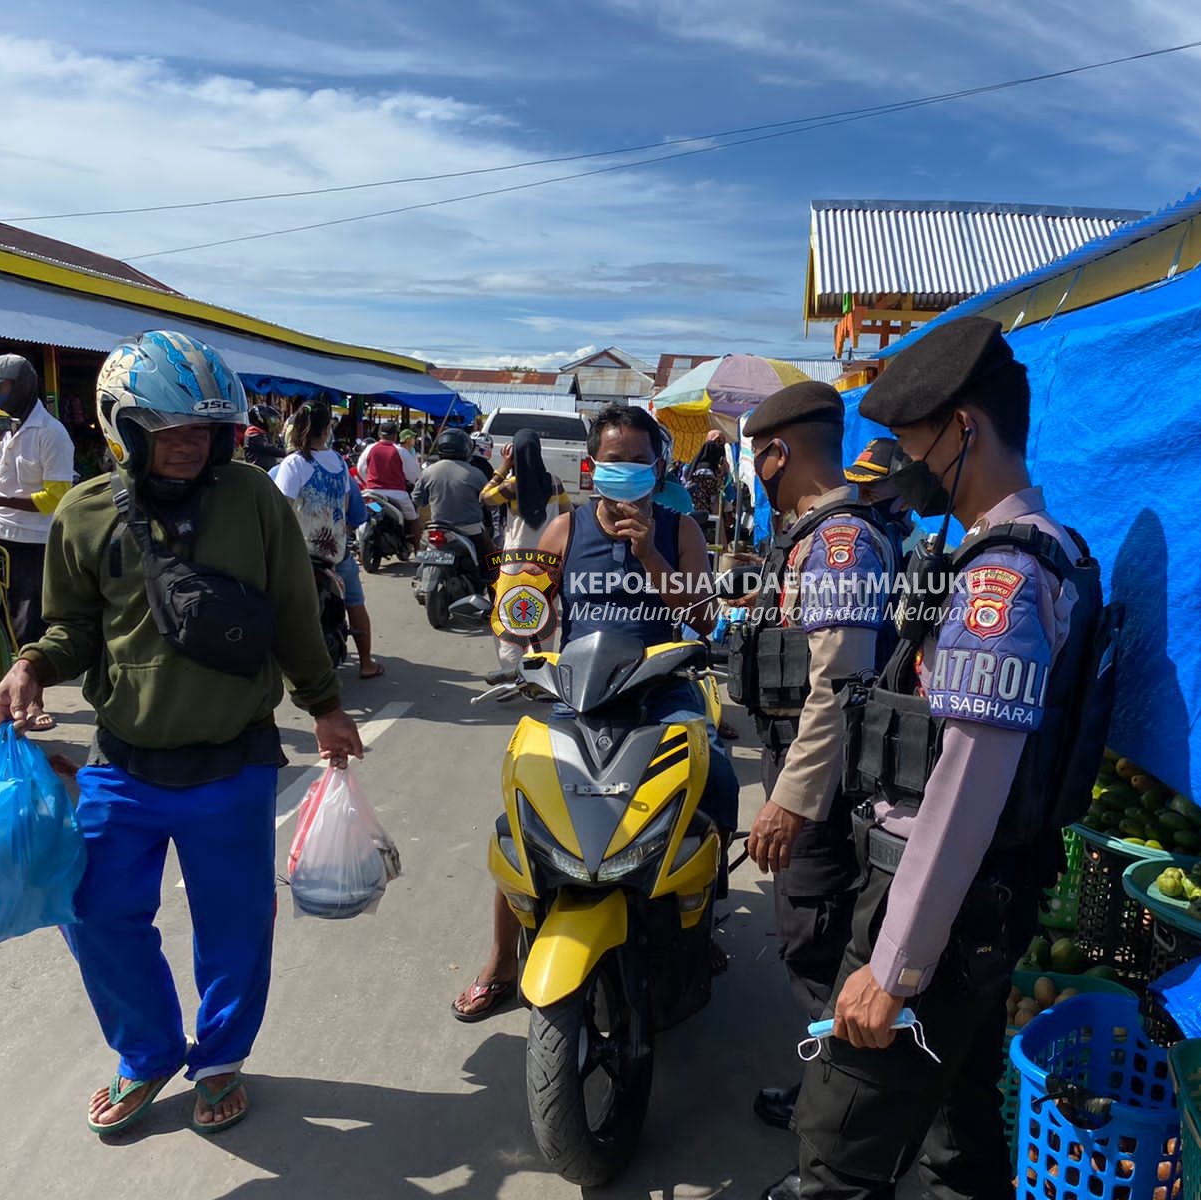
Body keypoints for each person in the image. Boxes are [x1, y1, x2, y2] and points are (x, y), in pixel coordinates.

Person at [0, 330, 364, 1137]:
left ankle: (221, 1058)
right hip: (123, 765)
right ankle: (148, 1052)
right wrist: (29, 665)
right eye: (171, 430)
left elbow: (296, 612)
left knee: (235, 927)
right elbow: (73, 630)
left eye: (206, 429)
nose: (192, 446)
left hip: (234, 765)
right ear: (124, 428)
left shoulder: (256, 498)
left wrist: (326, 704)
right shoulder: (85, 514)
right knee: (92, 912)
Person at [768, 317, 1102, 1200]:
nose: (902, 463)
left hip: (936, 907)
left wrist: (895, 964)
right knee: (959, 1130)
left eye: (913, 441)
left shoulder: (1005, 579)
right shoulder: (1008, 555)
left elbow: (967, 786)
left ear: (966, 429)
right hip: (970, 903)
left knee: (837, 1151)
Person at [454, 405, 739, 1022]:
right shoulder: (563, 530)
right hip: (578, 693)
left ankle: (699, 914)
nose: (627, 471)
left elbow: (705, 617)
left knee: (716, 781)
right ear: (594, 466)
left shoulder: (679, 528)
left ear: (658, 468)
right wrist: (519, 620)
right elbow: (524, 610)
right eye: (615, 461)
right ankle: (503, 959)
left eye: (640, 461)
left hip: (662, 692)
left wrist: (651, 557)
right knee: (521, 814)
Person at [733, 384, 898, 1134]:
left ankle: (836, 1131)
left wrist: (792, 800)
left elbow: (838, 686)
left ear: (776, 453)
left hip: (825, 789)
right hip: (811, 771)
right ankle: (825, 1103)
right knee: (812, 945)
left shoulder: (839, 542)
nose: (753, 471)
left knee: (819, 949)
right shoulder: (810, 534)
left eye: (754, 456)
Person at [0, 353, 75, 732]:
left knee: (29, 625)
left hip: (35, 541)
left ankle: (34, 701)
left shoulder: (51, 433)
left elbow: (57, 497)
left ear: (21, 387)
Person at [271, 403, 385, 679]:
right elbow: (346, 506)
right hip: (335, 552)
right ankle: (367, 662)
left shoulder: (295, 463)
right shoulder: (338, 462)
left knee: (276, 602)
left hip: (301, 553)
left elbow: (280, 507)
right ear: (327, 429)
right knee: (355, 601)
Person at [477, 429, 571, 686]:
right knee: (545, 613)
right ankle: (542, 670)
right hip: (547, 559)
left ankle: (512, 671)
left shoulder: (511, 485)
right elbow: (567, 513)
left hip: (516, 560)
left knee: (509, 613)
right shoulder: (554, 482)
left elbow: (485, 497)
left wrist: (503, 466)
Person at [412, 426, 494, 561]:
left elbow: (417, 499)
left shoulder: (428, 471)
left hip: (436, 526)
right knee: (490, 561)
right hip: (469, 528)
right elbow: (490, 503)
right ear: (466, 449)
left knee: (423, 549)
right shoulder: (476, 474)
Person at [356, 421, 422, 550]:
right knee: (413, 519)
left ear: (380, 434)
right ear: (395, 436)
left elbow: (361, 469)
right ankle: (418, 552)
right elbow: (414, 475)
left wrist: (370, 482)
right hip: (398, 495)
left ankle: (358, 548)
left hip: (372, 494)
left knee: (365, 514)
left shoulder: (370, 449)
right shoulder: (401, 451)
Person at [241, 404, 285, 471]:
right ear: (261, 419)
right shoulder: (252, 432)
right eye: (271, 419)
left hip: (267, 470)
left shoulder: (266, 433)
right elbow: (267, 448)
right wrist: (286, 453)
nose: (273, 422)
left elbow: (279, 446)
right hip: (256, 471)